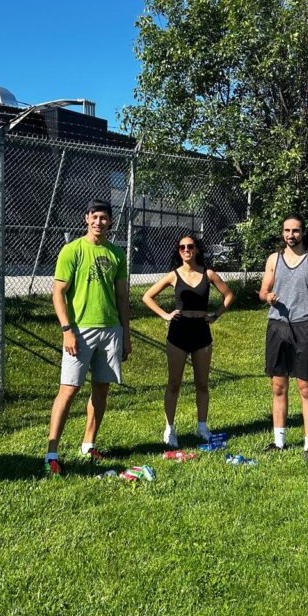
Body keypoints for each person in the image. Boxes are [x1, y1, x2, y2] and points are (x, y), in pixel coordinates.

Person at [44, 199, 131, 477]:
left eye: (104, 218)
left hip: (111, 330)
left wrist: (125, 334)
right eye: (95, 217)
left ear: (110, 222)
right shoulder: (73, 250)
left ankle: (88, 444)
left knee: (101, 389)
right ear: (86, 219)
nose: (99, 222)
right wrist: (67, 329)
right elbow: (58, 292)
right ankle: (52, 453)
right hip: (79, 331)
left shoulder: (117, 253)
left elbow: (121, 297)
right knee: (69, 390)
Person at [141, 233, 234, 448]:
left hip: (201, 332)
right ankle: (170, 430)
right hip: (178, 333)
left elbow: (228, 295)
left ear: (197, 249)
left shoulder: (208, 273)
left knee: (202, 384)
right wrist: (165, 315)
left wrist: (215, 315)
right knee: (174, 384)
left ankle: (202, 427)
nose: (186, 250)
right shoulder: (173, 275)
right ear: (178, 251)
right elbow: (147, 296)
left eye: (190, 246)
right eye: (182, 247)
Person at [258, 214, 308, 462]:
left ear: (303, 232)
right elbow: (263, 291)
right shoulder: (273, 260)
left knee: (305, 387)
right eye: (287, 230)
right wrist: (268, 297)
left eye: (296, 231)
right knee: (278, 386)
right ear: (282, 233)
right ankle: (279, 442)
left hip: (304, 328)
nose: (291, 235)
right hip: (277, 327)